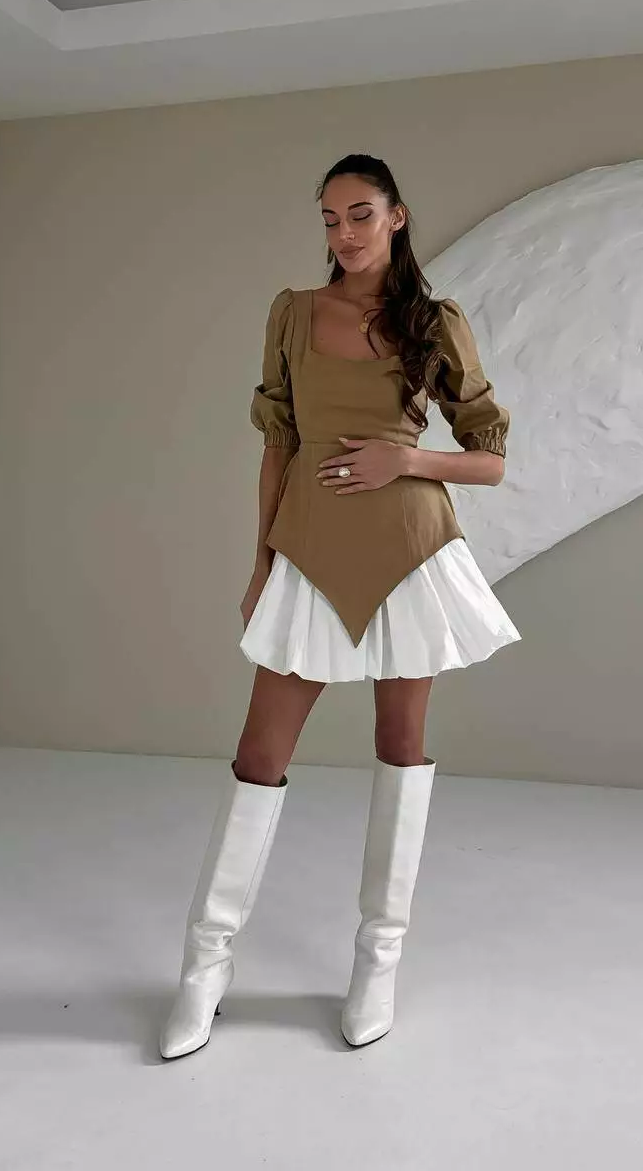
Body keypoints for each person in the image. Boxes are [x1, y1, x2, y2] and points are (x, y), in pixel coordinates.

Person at [159, 153, 520, 1060]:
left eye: (360, 214)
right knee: (259, 756)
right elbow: (278, 444)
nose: (344, 233)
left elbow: (489, 456)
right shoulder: (292, 312)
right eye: (329, 218)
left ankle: (377, 965)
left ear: (397, 216)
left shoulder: (435, 322)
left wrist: (409, 458)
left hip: (411, 549)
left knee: (401, 747)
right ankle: (205, 966)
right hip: (311, 545)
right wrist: (260, 563)